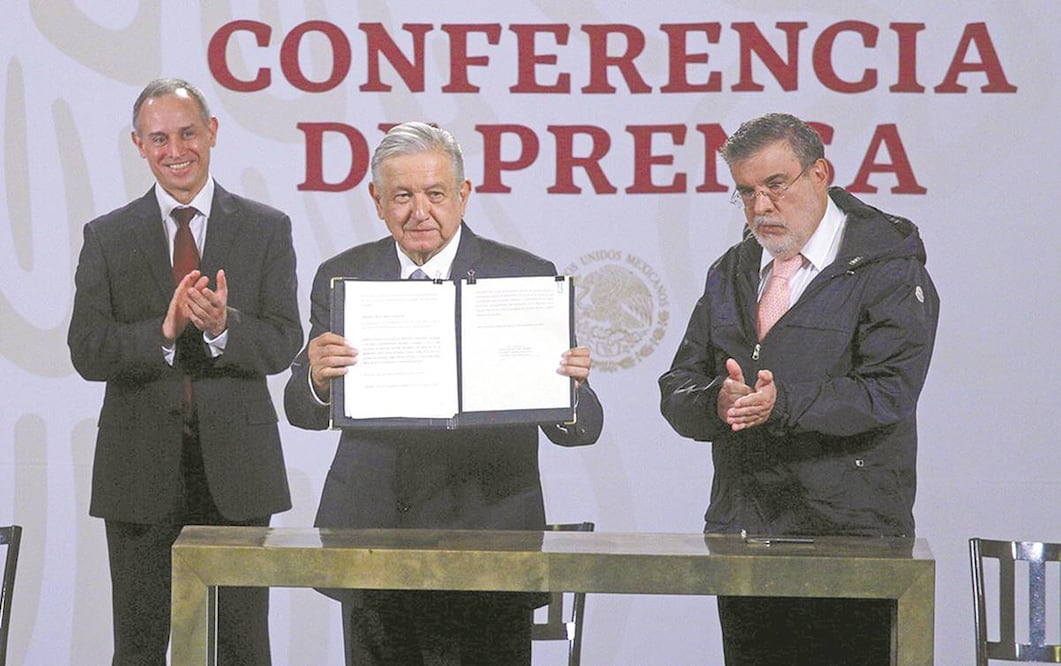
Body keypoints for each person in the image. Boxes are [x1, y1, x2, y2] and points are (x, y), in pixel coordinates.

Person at [284, 121, 604, 665]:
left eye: (435, 194)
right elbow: (301, 409)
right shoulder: (342, 277)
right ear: (377, 202)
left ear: (463, 195)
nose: (420, 212)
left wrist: (570, 389)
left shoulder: (523, 276)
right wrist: (315, 379)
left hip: (490, 532)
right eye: (402, 196)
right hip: (376, 536)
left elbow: (582, 429)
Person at [658, 112, 939, 665]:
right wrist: (715, 400)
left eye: (775, 185)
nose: (760, 206)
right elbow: (678, 386)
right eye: (744, 192)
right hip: (746, 528)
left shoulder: (888, 267)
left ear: (820, 174)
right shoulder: (732, 270)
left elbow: (888, 393)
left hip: (851, 535)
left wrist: (781, 404)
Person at [68, 78, 302, 664]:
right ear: (138, 145)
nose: (176, 149)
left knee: (242, 647)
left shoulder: (265, 227)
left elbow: (282, 342)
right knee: (141, 647)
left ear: (213, 132)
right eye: (159, 138)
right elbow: (88, 350)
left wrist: (224, 327)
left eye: (188, 133)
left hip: (238, 475)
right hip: (138, 473)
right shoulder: (107, 236)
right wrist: (164, 332)